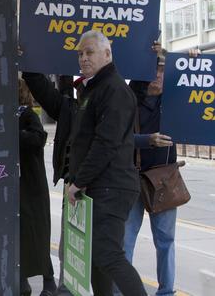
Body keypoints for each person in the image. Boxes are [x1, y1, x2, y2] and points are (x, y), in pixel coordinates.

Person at [24, 30, 146, 296]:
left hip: (110, 188)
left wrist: (79, 181)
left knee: (108, 254)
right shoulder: (93, 89)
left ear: (107, 53)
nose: (83, 58)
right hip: (98, 188)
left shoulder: (114, 89)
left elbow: (106, 143)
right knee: (97, 259)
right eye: (80, 54)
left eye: (89, 52)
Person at [118, 45, 200, 296]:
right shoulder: (130, 98)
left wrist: (190, 59)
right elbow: (118, 138)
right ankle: (121, 291)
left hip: (164, 179)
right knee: (124, 243)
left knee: (165, 241)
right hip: (133, 176)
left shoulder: (175, 98)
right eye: (155, 70)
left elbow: (200, 82)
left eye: (164, 70)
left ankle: (166, 292)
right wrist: (147, 140)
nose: (159, 76)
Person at [17, 79, 56, 296]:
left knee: (38, 232)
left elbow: (39, 138)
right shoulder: (0, 114)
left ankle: (48, 281)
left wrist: (13, 135)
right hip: (13, 182)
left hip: (32, 184)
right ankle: (22, 280)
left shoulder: (27, 114)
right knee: (18, 231)